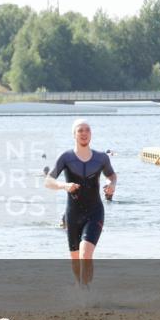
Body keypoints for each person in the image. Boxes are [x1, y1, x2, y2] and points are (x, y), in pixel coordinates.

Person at [45, 119, 117, 288]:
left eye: (87, 130)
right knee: (76, 259)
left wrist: (112, 185)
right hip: (73, 214)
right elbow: (48, 181)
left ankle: (86, 293)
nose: (84, 133)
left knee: (86, 253)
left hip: (95, 212)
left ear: (91, 134)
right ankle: (81, 288)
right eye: (80, 130)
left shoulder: (101, 158)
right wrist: (64, 186)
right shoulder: (66, 157)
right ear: (74, 135)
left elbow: (112, 176)